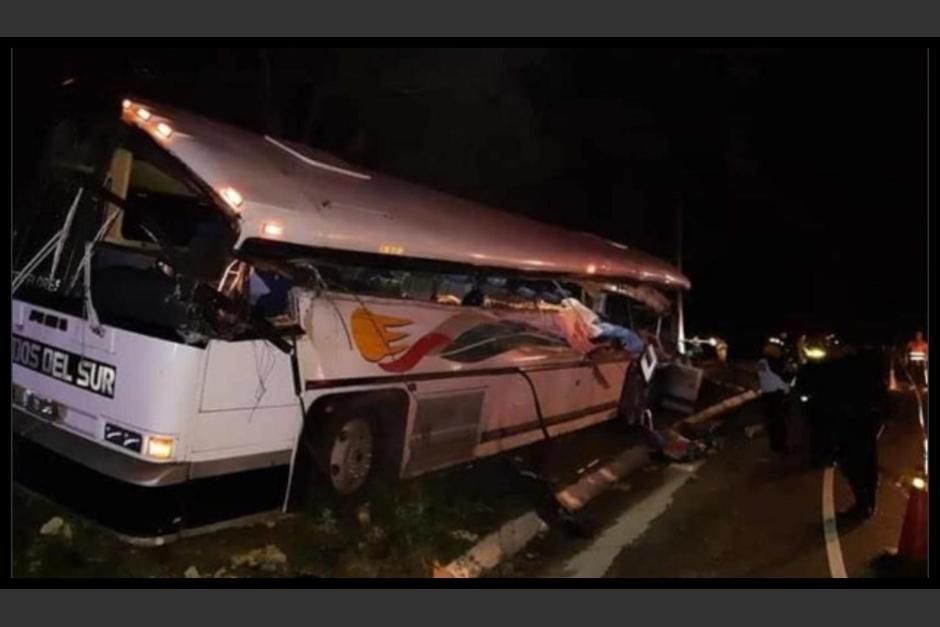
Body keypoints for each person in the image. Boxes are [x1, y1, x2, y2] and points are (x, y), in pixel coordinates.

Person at [798, 346, 888, 520]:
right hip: (860, 422)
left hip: (852, 423)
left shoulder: (840, 367)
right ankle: (866, 503)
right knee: (863, 463)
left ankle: (864, 504)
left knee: (855, 464)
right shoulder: (863, 364)